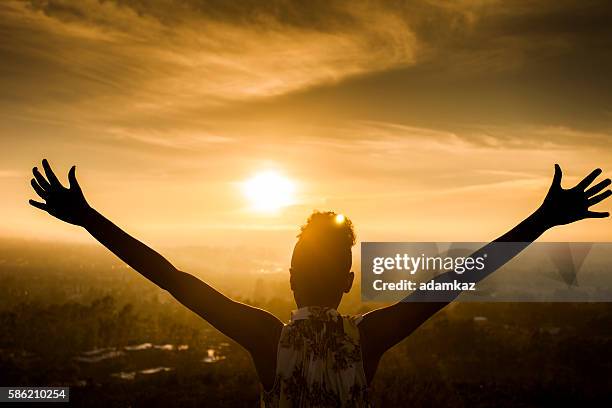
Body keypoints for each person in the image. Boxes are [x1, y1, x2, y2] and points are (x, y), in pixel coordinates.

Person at [28, 159, 610, 407]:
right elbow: (461, 276)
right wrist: (542, 220)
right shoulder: (369, 339)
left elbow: (173, 279)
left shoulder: (264, 337)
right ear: (351, 281)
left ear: (287, 275)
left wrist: (88, 218)